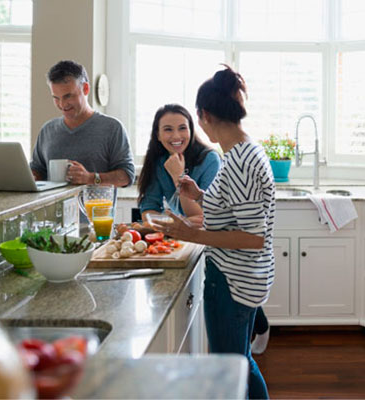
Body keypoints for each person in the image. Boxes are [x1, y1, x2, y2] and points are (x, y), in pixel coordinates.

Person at [154, 66, 275, 399]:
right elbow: (233, 213)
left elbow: (253, 238)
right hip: (241, 277)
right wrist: (199, 194)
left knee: (233, 365)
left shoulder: (241, 162)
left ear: (203, 115)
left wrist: (191, 235)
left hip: (234, 281)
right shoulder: (242, 152)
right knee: (239, 362)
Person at [30, 60, 135, 187]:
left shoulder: (112, 128)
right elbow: (37, 170)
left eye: (68, 96)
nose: (62, 104)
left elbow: (127, 176)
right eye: (56, 98)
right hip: (53, 207)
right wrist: (29, 176)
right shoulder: (47, 130)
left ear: (85, 89)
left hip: (96, 207)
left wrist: (90, 178)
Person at [138, 104, 221, 223]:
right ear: (158, 135)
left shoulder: (210, 159)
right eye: (168, 129)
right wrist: (171, 222)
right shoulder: (158, 161)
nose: (176, 136)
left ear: (191, 131)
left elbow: (202, 215)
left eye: (182, 128)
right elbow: (149, 208)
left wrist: (179, 177)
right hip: (175, 233)